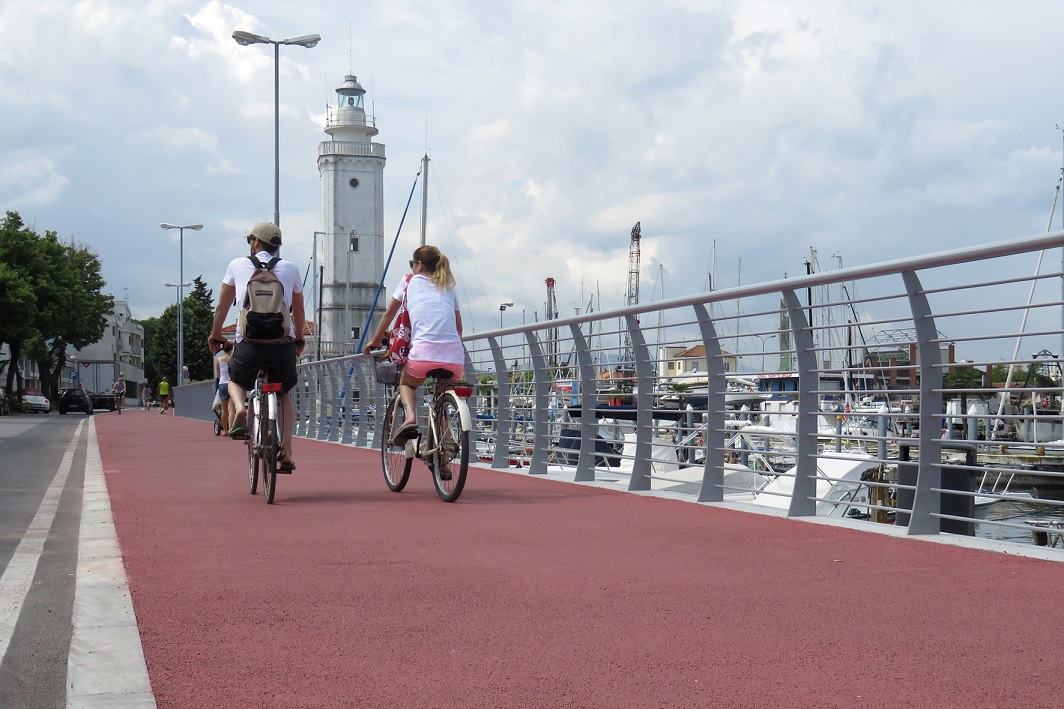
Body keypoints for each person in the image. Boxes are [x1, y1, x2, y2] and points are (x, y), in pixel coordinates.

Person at [209, 222, 306, 472]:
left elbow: (222, 306)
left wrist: (216, 334)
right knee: (283, 393)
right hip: (281, 346)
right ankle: (287, 453)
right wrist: (298, 339)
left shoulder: (236, 265)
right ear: (277, 247)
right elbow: (299, 311)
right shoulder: (291, 268)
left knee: (236, 380)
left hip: (248, 344)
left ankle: (240, 408)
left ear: (255, 242)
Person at [363, 244, 464, 442]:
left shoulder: (408, 281)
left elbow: (388, 314)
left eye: (412, 264)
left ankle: (410, 418)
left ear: (418, 265)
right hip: (454, 358)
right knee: (442, 397)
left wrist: (375, 341)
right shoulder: (449, 288)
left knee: (407, 384)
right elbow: (459, 329)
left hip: (423, 356)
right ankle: (444, 457)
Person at [214, 342, 234, 435]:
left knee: (224, 409)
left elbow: (218, 375)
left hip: (222, 384)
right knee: (231, 409)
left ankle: (225, 431)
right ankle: (231, 429)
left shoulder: (219, 360)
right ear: (231, 349)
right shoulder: (233, 359)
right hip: (232, 384)